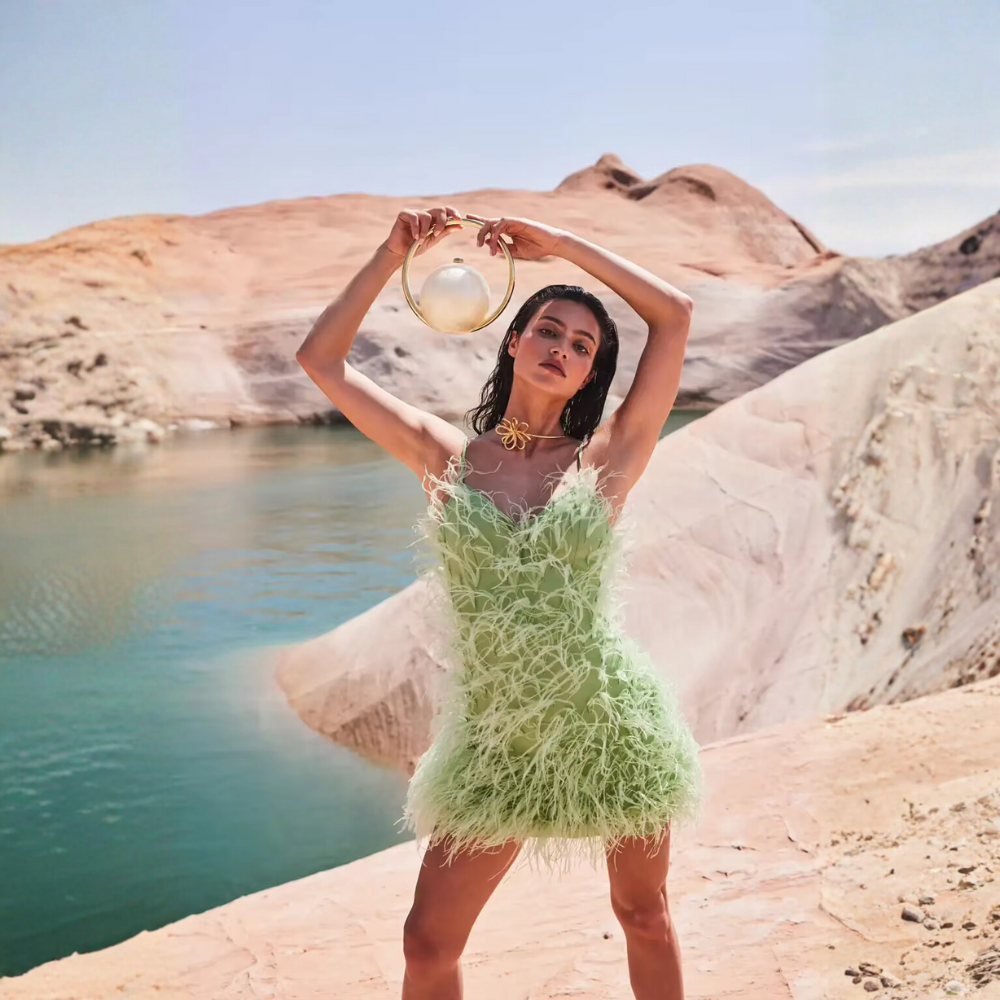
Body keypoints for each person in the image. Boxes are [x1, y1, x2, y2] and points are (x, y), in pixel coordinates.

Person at [296, 205, 704, 1000]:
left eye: (583, 346)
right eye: (549, 331)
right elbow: (322, 360)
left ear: (591, 375)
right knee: (426, 945)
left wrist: (563, 246)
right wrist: (391, 254)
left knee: (644, 914)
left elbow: (675, 314)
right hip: (496, 736)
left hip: (606, 717)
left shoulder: (609, 457)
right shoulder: (444, 456)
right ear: (514, 340)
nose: (563, 349)